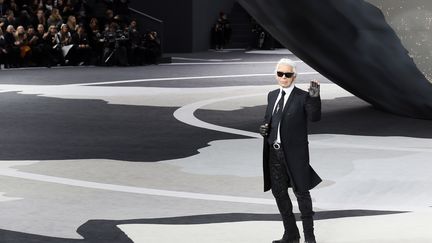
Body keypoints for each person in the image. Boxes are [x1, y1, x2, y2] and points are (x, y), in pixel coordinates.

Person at [259, 58, 322, 243]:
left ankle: (310, 238)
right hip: (274, 153)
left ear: (294, 76)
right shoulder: (272, 95)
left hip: (295, 154)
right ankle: (291, 234)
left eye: (287, 74)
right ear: (276, 75)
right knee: (278, 192)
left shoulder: (303, 97)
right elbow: (268, 119)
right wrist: (263, 129)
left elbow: (314, 117)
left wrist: (314, 97)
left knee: (302, 193)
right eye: (280, 74)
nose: (283, 78)